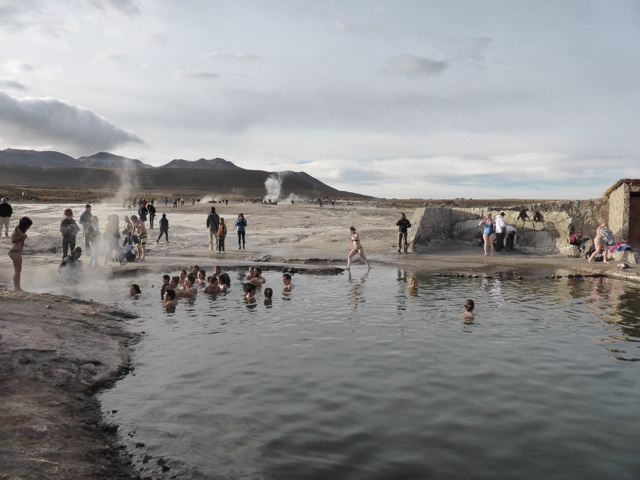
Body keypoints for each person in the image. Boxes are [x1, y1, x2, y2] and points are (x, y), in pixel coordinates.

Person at [8, 216, 32, 292]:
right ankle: (17, 288)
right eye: (28, 226)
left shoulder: (18, 229)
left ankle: (17, 287)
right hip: (15, 251)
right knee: (17, 270)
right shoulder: (18, 231)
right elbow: (13, 240)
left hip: (16, 251)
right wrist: (22, 236)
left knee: (18, 270)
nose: (29, 227)